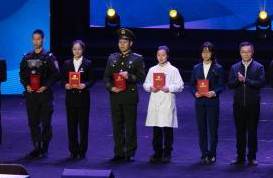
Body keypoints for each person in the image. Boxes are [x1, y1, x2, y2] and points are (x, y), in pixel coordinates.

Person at [104, 28, 145, 162]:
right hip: (115, 96)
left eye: (125, 42)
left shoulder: (137, 58)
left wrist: (129, 76)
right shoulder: (112, 58)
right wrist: (111, 87)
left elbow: (141, 77)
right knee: (117, 126)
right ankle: (119, 152)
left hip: (129, 96)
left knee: (130, 126)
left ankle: (130, 152)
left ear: (130, 43)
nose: (122, 44)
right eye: (120, 42)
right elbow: (106, 78)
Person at [19, 29, 60, 159]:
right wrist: (26, 85)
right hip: (31, 95)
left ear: (43, 40)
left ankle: (44, 149)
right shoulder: (27, 57)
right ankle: (36, 147)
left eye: (38, 39)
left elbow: (56, 74)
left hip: (45, 95)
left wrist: (45, 86)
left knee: (46, 122)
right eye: (34, 39)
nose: (36, 41)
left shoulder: (49, 57)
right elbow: (22, 74)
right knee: (33, 122)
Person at [143, 45, 184, 162]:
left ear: (167, 56)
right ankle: (157, 152)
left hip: (167, 101)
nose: (161, 57)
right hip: (155, 101)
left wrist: (169, 88)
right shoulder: (152, 70)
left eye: (163, 55)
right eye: (158, 55)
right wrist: (150, 87)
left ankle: (167, 153)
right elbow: (145, 84)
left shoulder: (173, 70)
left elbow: (180, 86)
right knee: (156, 129)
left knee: (167, 129)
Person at [228, 41, 265, 165]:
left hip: (253, 105)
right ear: (240, 53)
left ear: (252, 52)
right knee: (240, 131)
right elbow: (230, 84)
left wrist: (246, 80)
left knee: (252, 131)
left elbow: (261, 83)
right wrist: (238, 81)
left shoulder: (259, 67)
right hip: (238, 105)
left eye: (248, 51)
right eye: (243, 52)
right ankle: (240, 156)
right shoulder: (234, 67)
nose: (246, 54)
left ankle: (252, 157)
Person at [191, 41, 225, 163]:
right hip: (199, 102)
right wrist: (195, 92)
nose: (205, 54)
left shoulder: (218, 68)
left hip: (212, 102)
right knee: (201, 129)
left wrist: (214, 92)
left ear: (212, 53)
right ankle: (204, 153)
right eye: (203, 52)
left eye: (208, 52)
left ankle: (212, 153)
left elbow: (222, 86)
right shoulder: (196, 68)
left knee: (213, 129)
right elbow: (191, 85)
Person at [63, 39, 94, 159]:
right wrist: (65, 85)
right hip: (70, 99)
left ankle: (82, 151)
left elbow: (92, 79)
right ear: (72, 50)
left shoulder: (88, 63)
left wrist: (85, 85)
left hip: (83, 99)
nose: (77, 51)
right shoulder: (67, 63)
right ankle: (73, 150)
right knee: (71, 126)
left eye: (79, 49)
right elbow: (62, 80)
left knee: (83, 126)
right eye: (74, 49)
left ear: (83, 50)